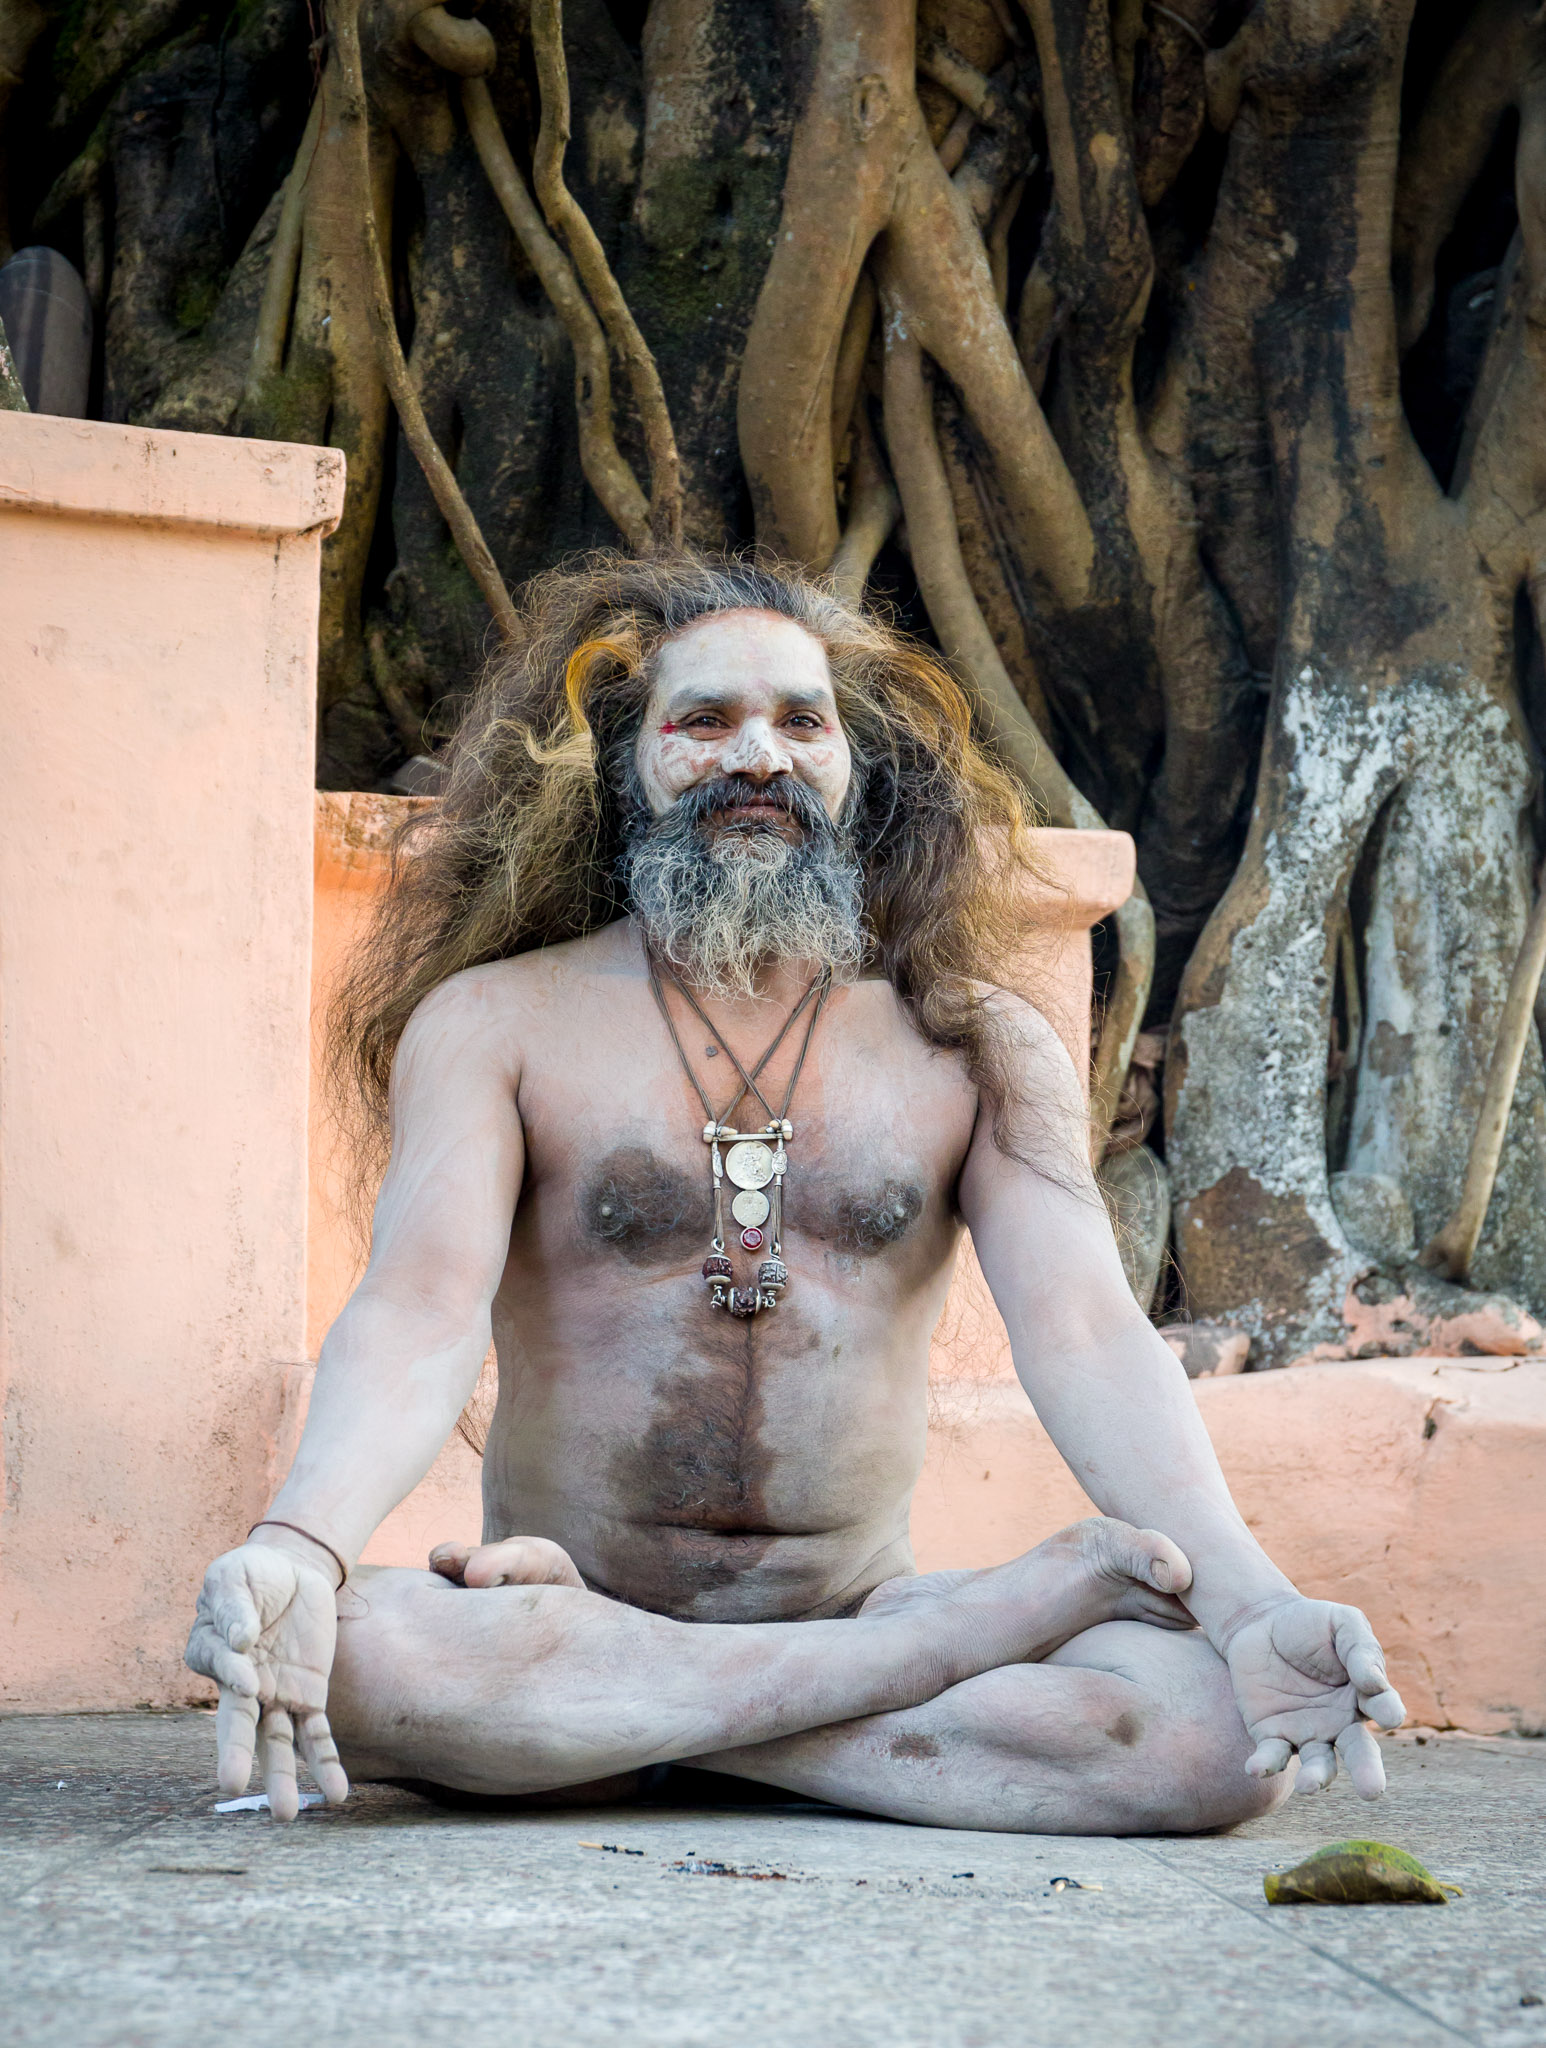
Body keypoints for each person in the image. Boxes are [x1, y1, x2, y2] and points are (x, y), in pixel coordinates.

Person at [186, 553, 1404, 1828]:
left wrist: (1255, 1602)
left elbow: (1089, 1331)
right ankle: (890, 1682)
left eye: (800, 722)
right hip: (570, 1598)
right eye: (703, 720)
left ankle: (617, 1739)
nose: (755, 755)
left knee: (1212, 1738)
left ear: (854, 769)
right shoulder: (496, 1021)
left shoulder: (975, 1045)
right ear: (626, 765)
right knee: (356, 1650)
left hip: (794, 1608)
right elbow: (416, 1312)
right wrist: (302, 1545)